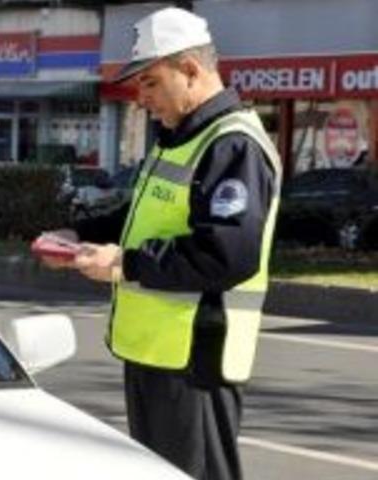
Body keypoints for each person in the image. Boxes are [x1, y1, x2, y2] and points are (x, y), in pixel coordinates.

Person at [40, 7, 280, 480]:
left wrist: (124, 264)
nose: (141, 98)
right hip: (159, 357)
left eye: (150, 82)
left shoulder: (232, 145)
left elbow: (226, 255)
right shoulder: (180, 137)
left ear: (190, 69)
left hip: (195, 360)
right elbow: (140, 219)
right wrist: (79, 235)